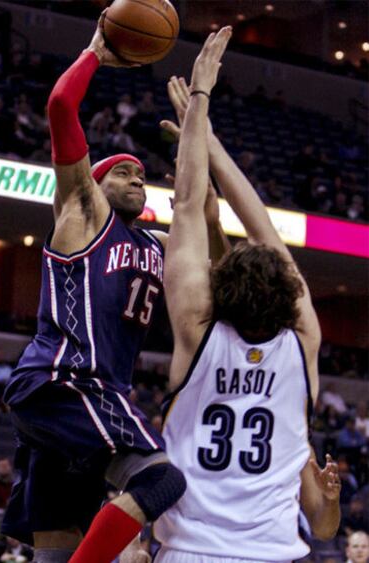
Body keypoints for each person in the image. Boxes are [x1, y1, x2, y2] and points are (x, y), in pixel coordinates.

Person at [1, 12, 227, 563]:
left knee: (58, 552)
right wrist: (96, 53)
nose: (136, 178)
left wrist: (213, 218)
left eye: (141, 174)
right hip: (68, 381)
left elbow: (222, 280)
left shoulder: (157, 245)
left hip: (79, 412)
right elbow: (60, 107)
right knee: (160, 484)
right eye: (122, 172)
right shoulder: (83, 211)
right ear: (95, 183)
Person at [154, 30, 339, 561]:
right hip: (272, 552)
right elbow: (262, 228)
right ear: (290, 290)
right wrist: (207, 128)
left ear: (220, 292)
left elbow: (187, 202)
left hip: (191, 550)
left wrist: (201, 106)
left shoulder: (196, 330)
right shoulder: (303, 343)